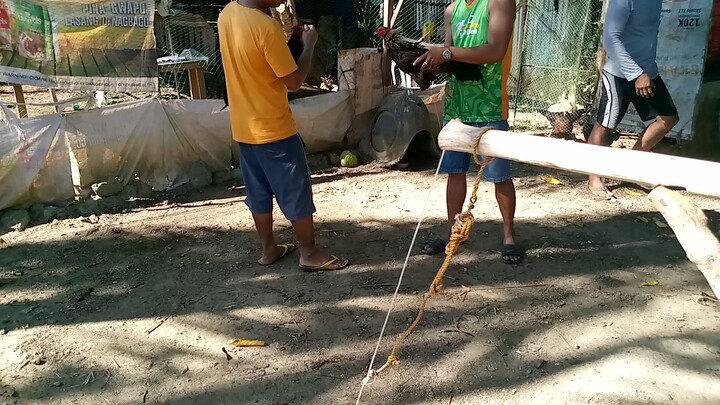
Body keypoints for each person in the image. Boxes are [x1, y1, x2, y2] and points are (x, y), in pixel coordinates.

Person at [218, 0, 349, 271]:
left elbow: (262, 64)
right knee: (295, 191)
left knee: (258, 193)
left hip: (244, 128)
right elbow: (293, 81)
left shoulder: (227, 14)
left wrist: (293, 41)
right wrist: (310, 43)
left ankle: (268, 249)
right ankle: (309, 253)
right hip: (274, 129)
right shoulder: (266, 27)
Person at [413, 0, 522, 264]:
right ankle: (453, 231)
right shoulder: (452, 10)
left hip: (490, 104)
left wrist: (447, 53)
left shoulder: (499, 3)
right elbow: (452, 58)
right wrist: (428, 63)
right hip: (457, 105)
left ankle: (509, 235)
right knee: (454, 172)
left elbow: (495, 51)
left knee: (499, 174)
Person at [587, 0, 679, 199]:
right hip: (619, 74)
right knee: (604, 126)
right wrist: (636, 74)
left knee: (668, 119)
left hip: (647, 71)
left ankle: (630, 166)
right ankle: (594, 177)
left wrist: (643, 73)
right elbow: (611, 38)